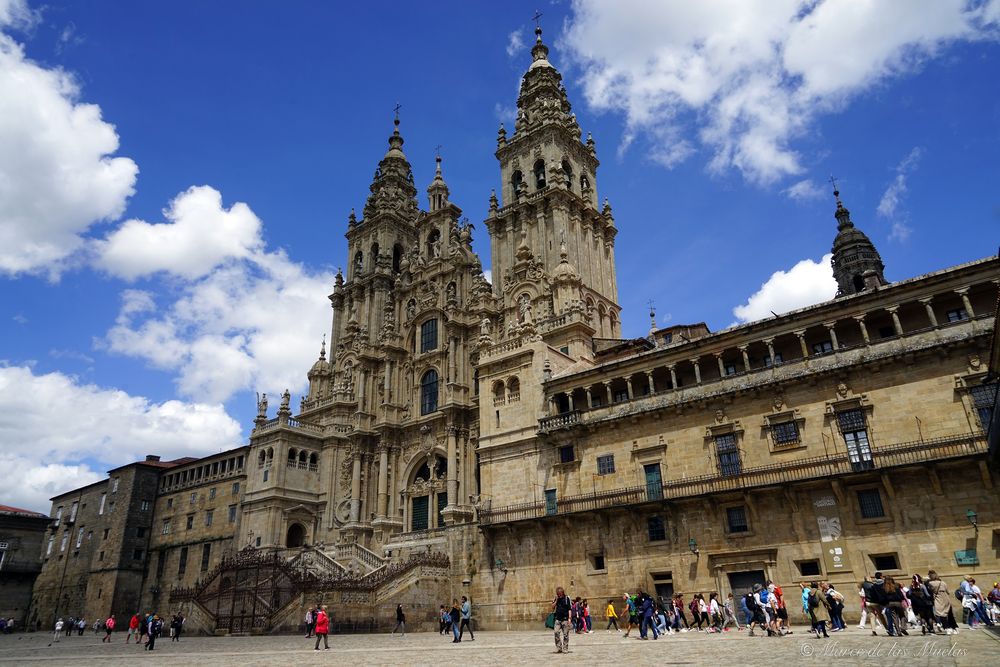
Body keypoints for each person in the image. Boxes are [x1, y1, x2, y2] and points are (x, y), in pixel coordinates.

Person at [926, 570, 957, 635]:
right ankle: (954, 628)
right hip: (946, 598)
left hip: (938, 598)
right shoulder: (943, 582)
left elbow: (929, 590)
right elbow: (948, 591)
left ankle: (947, 628)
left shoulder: (930, 583)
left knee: (941, 614)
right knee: (949, 613)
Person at [552, 586, 572, 654]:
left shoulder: (567, 598)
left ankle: (565, 648)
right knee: (556, 632)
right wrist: (557, 600)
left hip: (565, 619)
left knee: (565, 634)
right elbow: (552, 607)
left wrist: (569, 618)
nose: (559, 595)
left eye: (560, 593)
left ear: (562, 592)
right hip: (558, 619)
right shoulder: (556, 598)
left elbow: (569, 609)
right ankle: (559, 648)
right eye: (558, 594)